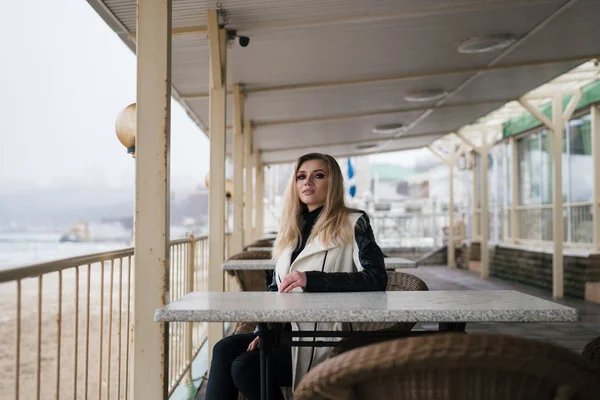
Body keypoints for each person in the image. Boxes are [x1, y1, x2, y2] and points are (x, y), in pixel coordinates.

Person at [205, 153, 387, 400]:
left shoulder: (353, 222)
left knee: (246, 367)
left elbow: (376, 277)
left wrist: (312, 279)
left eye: (318, 175)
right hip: (284, 331)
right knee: (224, 348)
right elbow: (275, 287)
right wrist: (263, 328)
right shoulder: (291, 227)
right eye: (301, 176)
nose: (307, 182)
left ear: (332, 182)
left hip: (324, 336)